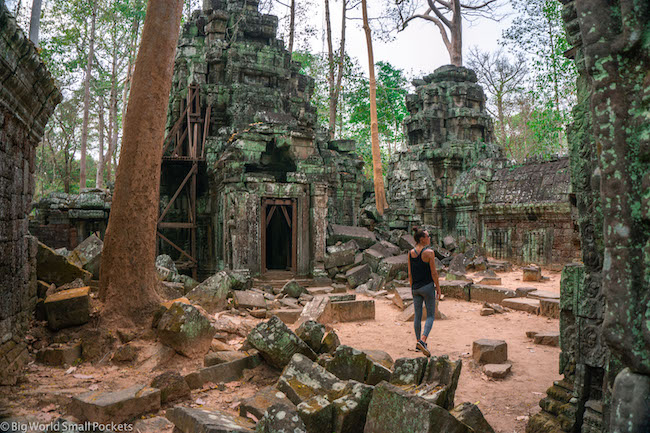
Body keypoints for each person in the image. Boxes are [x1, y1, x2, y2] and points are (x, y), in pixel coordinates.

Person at [407, 226, 441, 357]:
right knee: (430, 315)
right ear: (422, 239)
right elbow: (434, 273)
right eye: (428, 236)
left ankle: (417, 343)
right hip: (427, 287)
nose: (430, 238)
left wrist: (412, 288)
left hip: (415, 288)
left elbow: (410, 273)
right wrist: (438, 288)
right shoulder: (429, 253)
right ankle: (423, 340)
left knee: (418, 315)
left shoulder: (411, 253)